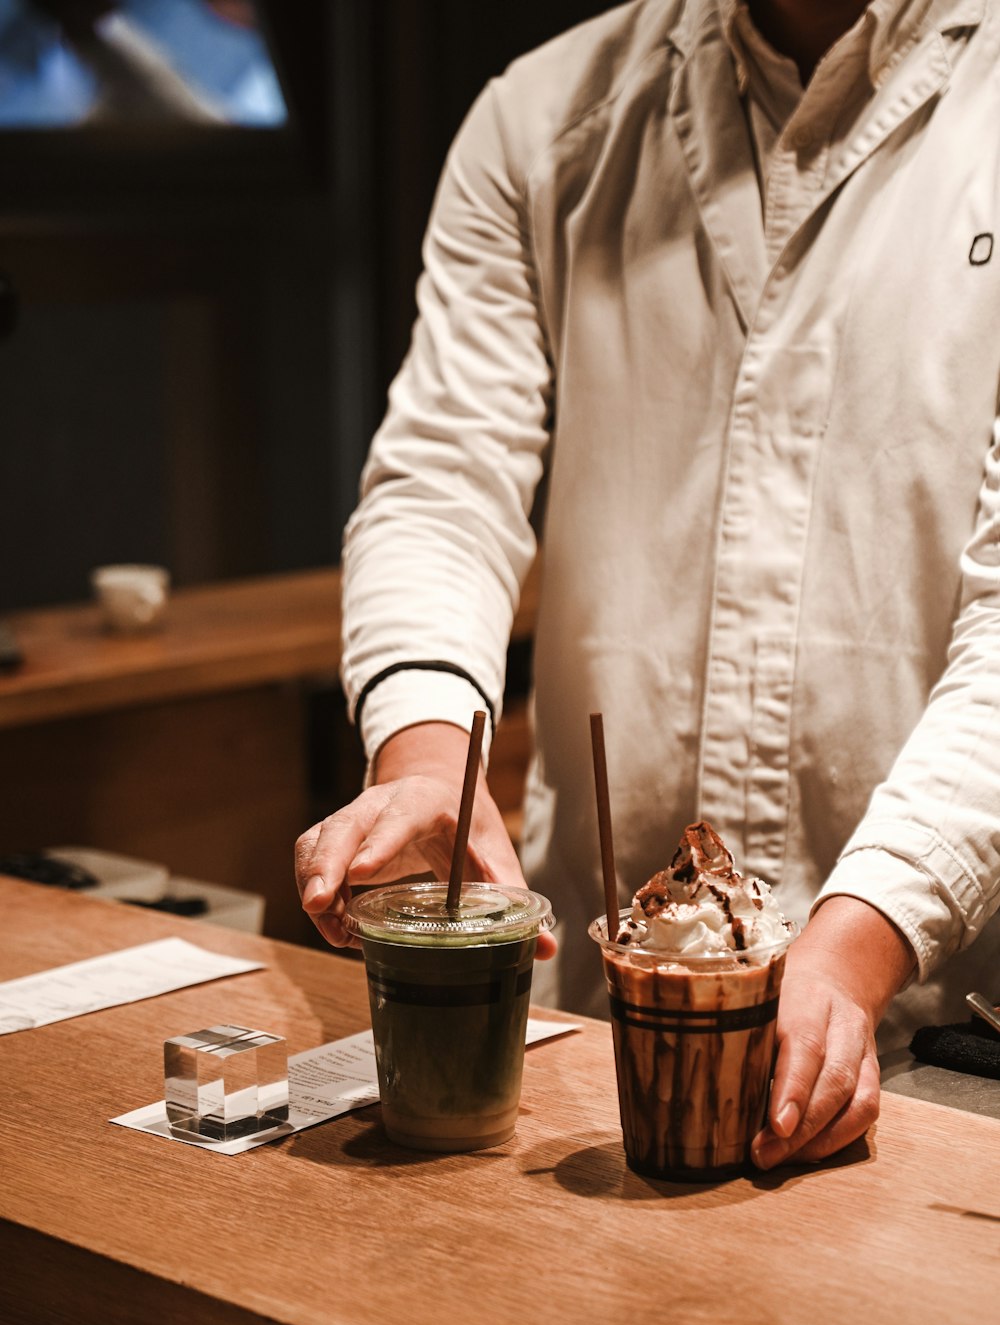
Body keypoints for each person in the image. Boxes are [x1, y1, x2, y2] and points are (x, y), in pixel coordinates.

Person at [295, 0, 1000, 1171]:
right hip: (595, 1039)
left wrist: (856, 944)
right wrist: (429, 766)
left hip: (946, 1052)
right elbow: (443, 480)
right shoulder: (540, 113)